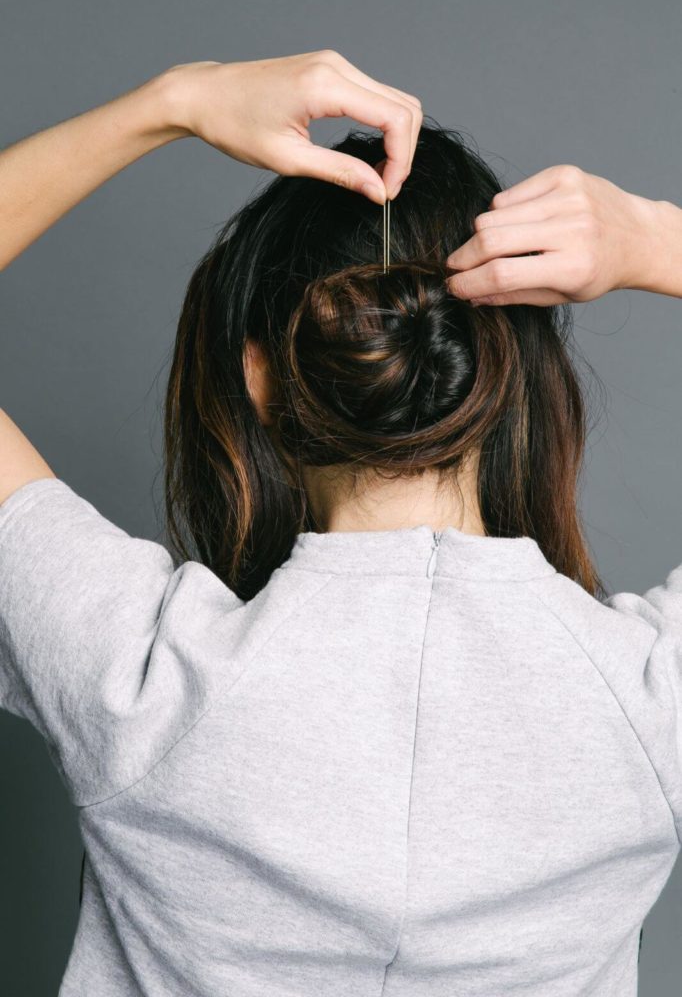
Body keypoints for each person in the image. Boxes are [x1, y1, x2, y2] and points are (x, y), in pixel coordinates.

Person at [1, 49, 681, 997]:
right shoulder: (654, 703)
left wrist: (172, 103)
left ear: (258, 376)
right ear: (508, 373)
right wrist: (659, 242)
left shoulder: (144, 675)